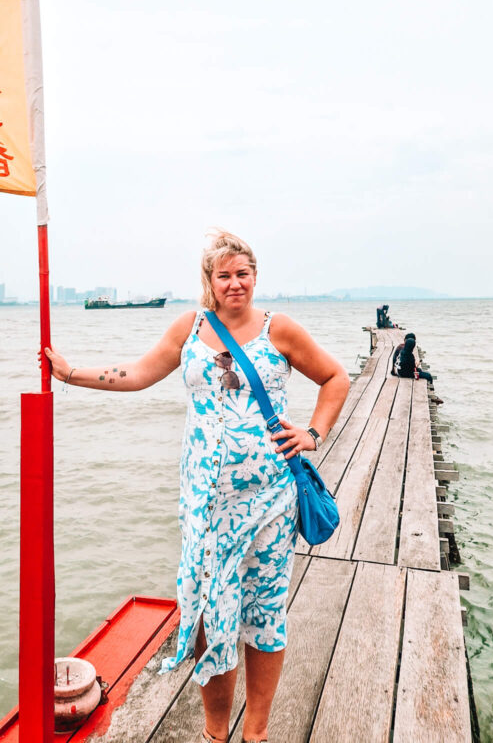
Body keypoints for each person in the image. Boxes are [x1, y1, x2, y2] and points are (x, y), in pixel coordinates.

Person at [45, 230, 350, 743]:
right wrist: (71, 373)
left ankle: (255, 731)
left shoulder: (281, 329)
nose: (235, 283)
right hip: (205, 506)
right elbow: (140, 373)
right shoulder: (190, 327)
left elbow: (335, 378)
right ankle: (214, 732)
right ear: (209, 280)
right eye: (224, 275)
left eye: (243, 274)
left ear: (255, 276)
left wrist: (313, 432)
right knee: (210, 613)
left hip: (271, 503)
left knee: (266, 616)